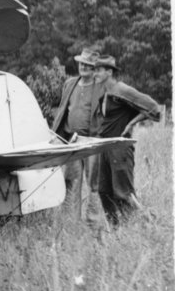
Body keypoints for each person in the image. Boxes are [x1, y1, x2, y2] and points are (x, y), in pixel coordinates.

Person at [91, 54, 162, 223]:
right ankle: (117, 231)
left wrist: (131, 124)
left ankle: (147, 222)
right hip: (105, 148)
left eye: (99, 70)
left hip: (120, 148)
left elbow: (154, 109)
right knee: (103, 191)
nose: (95, 74)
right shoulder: (106, 93)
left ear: (109, 72)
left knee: (123, 193)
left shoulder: (122, 90)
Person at [50, 48, 107, 222]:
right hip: (71, 142)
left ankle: (94, 221)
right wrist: (58, 135)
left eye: (88, 65)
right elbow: (62, 111)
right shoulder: (70, 84)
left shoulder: (101, 87)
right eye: (82, 63)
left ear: (94, 68)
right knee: (72, 181)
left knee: (94, 184)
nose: (83, 67)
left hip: (91, 142)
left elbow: (106, 116)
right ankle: (71, 222)